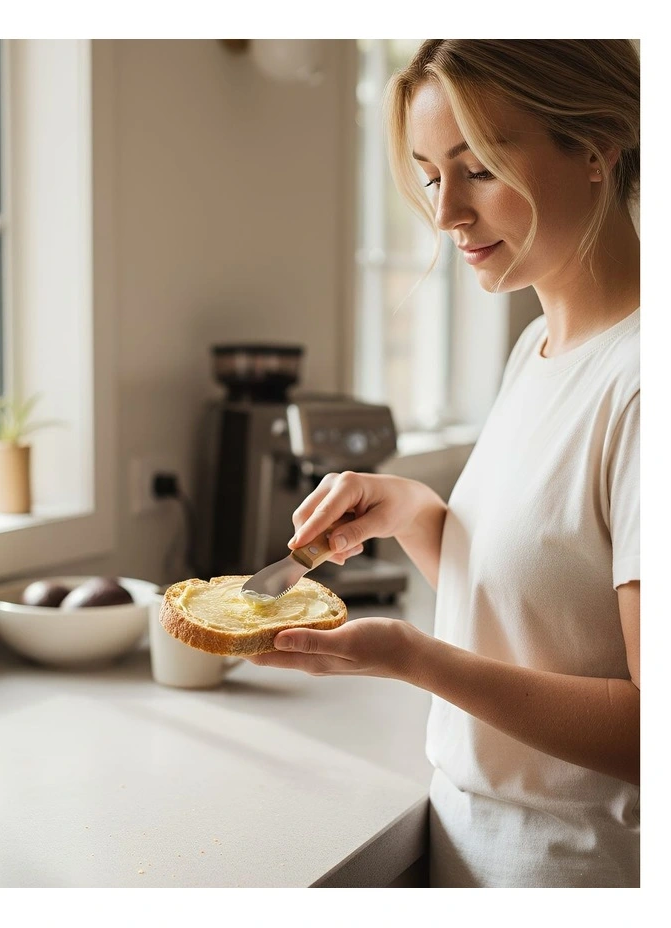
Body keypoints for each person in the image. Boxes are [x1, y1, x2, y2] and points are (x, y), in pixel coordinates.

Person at [245, 40, 640, 888]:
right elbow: (546, 614)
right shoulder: (537, 347)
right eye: (431, 175)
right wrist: (416, 514)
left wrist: (413, 658)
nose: (447, 213)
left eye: (481, 168)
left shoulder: (646, 386)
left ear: (599, 145)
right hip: (470, 847)